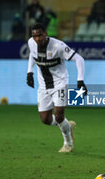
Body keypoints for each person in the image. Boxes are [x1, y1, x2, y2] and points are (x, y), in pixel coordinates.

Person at [26, 23, 87, 153]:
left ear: (45, 34)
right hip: (43, 86)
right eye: (34, 36)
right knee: (45, 120)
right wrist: (29, 72)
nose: (37, 39)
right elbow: (32, 54)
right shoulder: (31, 42)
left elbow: (79, 59)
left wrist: (80, 80)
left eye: (40, 35)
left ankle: (68, 144)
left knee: (59, 116)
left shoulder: (58, 46)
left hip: (60, 83)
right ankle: (67, 126)